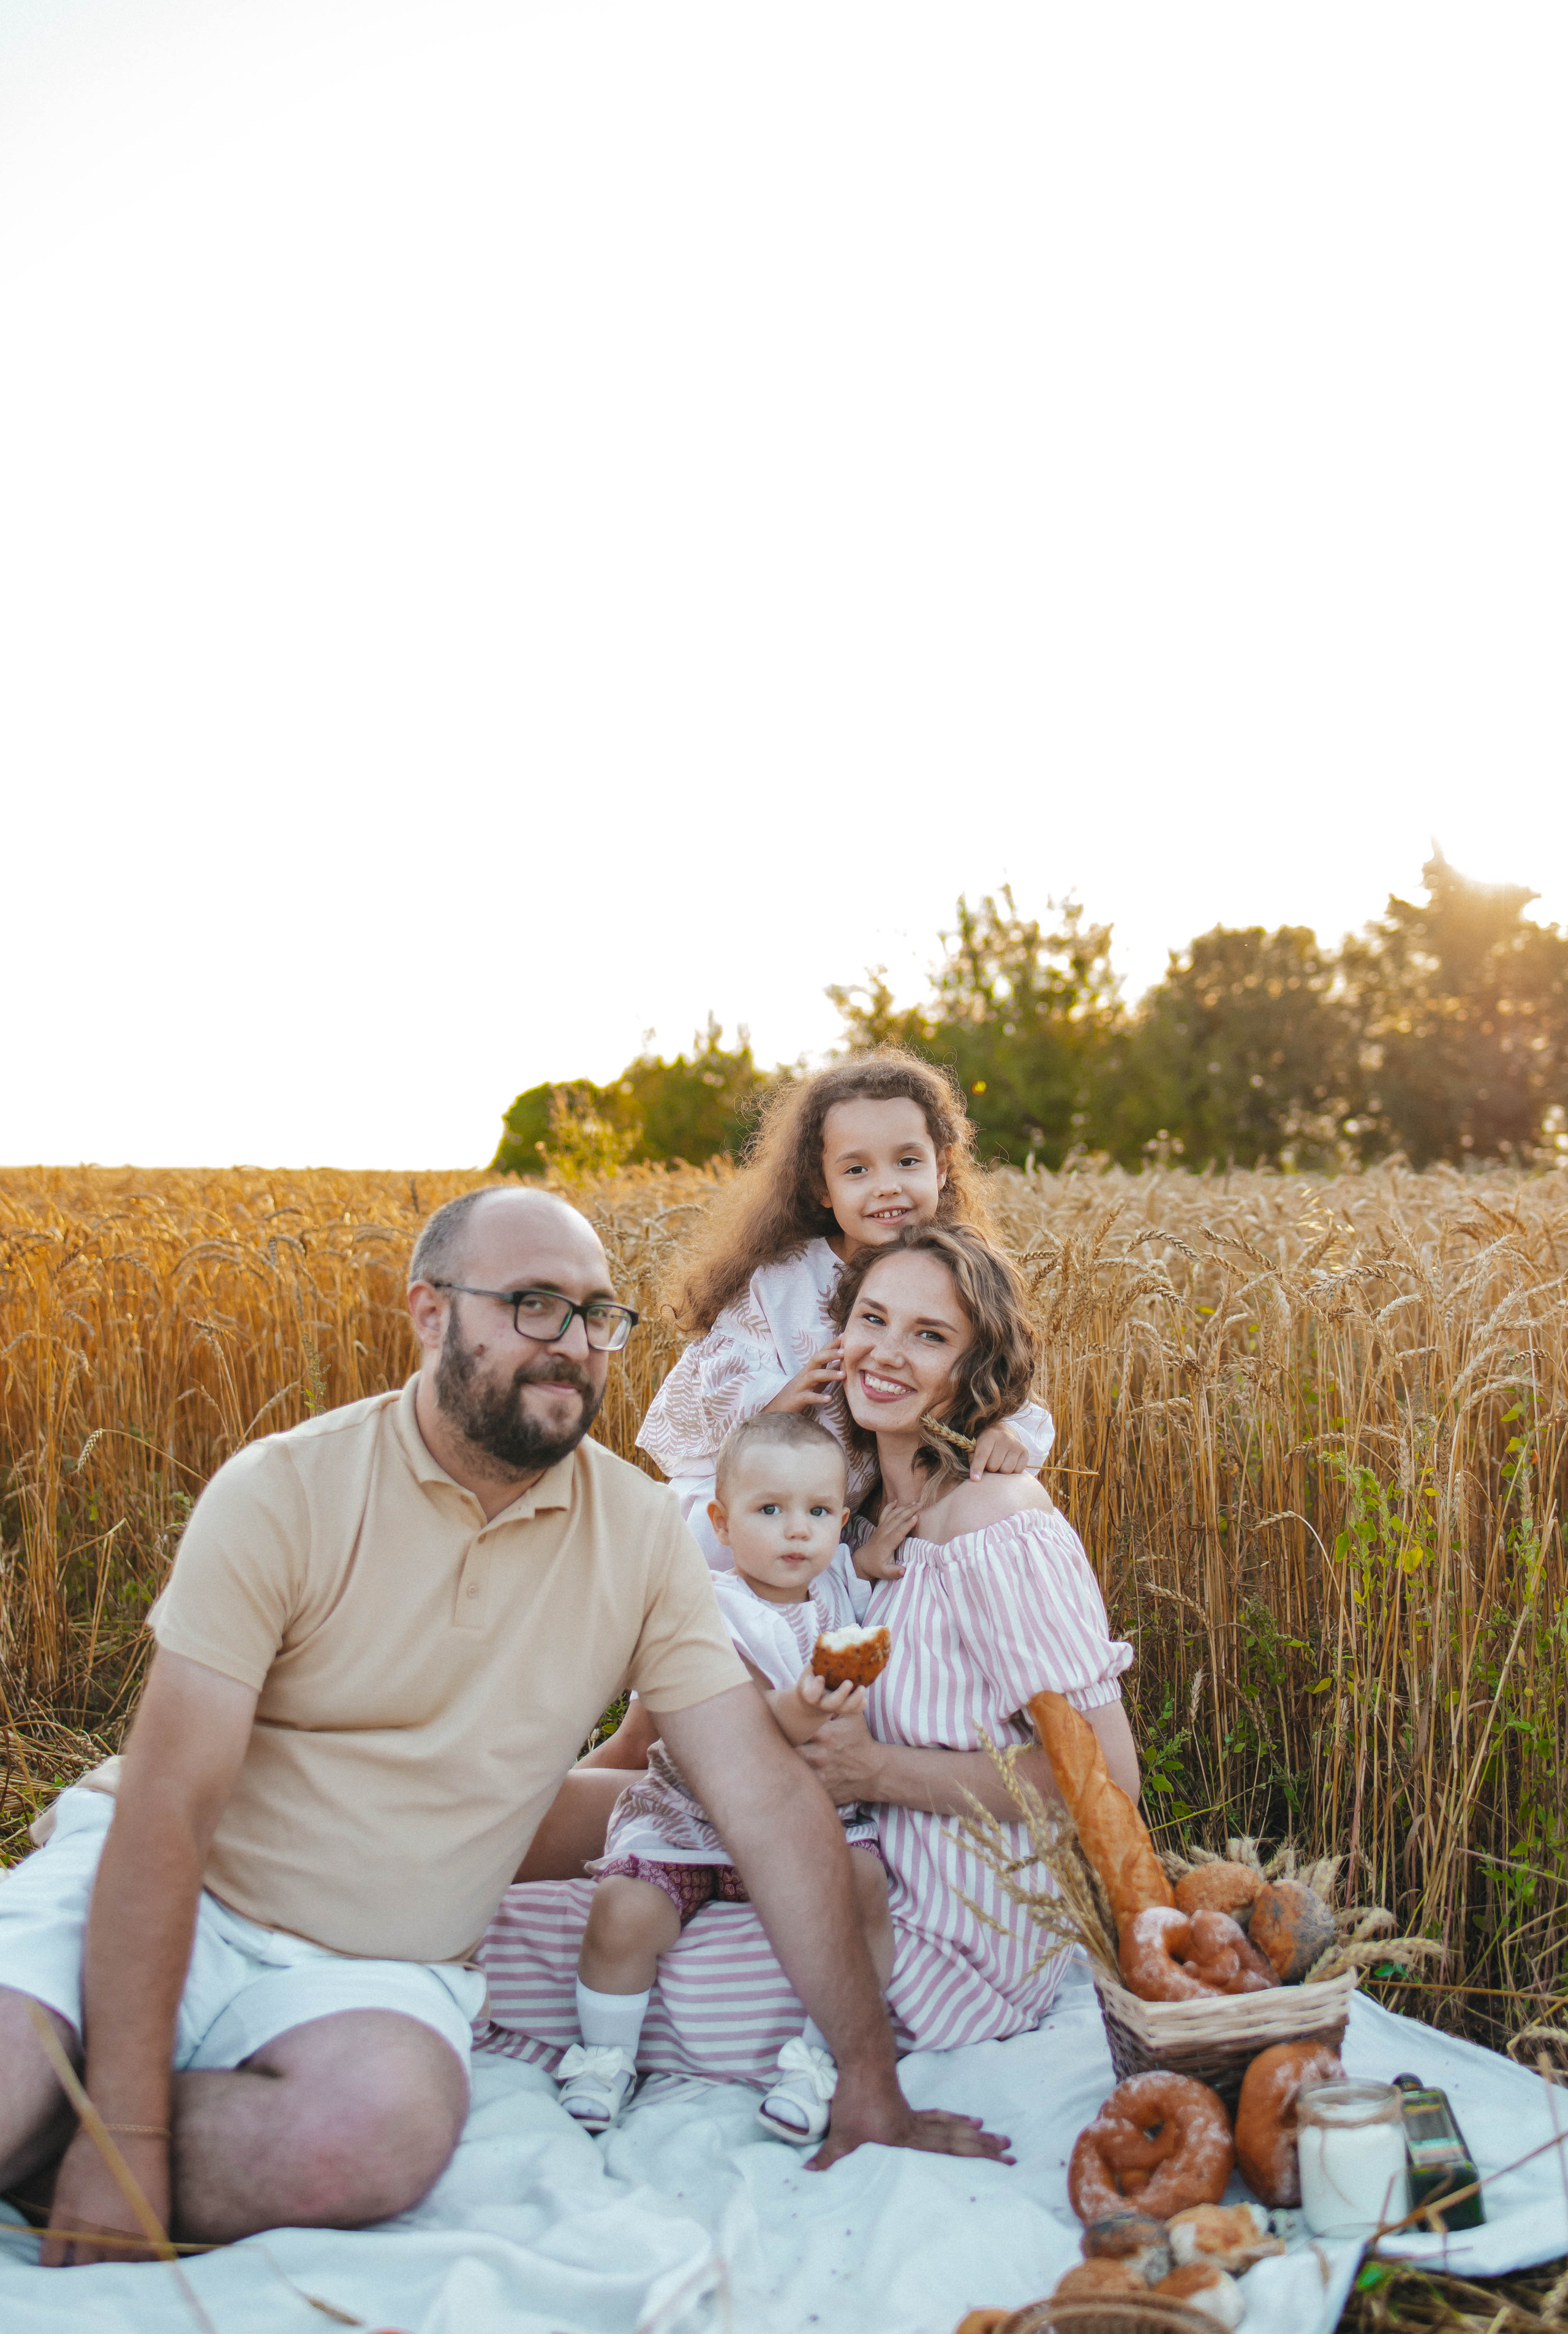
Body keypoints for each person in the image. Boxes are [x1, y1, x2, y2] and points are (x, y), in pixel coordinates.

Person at [0, 1188, 1006, 2270]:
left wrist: (869, 2083)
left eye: (595, 1315)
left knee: (374, 2143)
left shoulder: (638, 1539)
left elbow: (760, 1796)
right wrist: (135, 2131)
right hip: (173, 1880)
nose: (571, 1343)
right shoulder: (284, 1490)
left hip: (376, 1967)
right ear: (430, 1313)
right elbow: (169, 1803)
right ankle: (78, 2114)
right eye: (533, 1305)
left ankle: (61, 2138)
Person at [478, 1217, 1139, 2072]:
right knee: (488, 1822)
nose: (886, 1353)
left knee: (505, 1939)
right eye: (872, 1319)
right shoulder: (851, 1523)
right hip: (821, 1847)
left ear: (976, 1369)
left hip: (933, 1936)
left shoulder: (997, 1524)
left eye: (929, 1335)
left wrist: (878, 1773)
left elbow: (1107, 1778)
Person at [557, 1411, 900, 2146]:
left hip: (806, 1820)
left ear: (842, 1523)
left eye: (816, 1513)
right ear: (721, 1520)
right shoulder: (711, 1608)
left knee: (866, 1891)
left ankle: (820, 2058)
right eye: (769, 1511)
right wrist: (809, 1703)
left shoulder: (837, 1593)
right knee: (622, 1910)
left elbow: (857, 1565)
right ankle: (603, 2055)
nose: (795, 1533)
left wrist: (877, 1553)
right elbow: (738, 1738)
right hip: (695, 1811)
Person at [636, 1049, 1057, 1569]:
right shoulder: (781, 1284)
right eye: (857, 1169)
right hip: (735, 1526)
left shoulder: (956, 1277)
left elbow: (990, 1372)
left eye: (907, 1161)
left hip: (831, 1533)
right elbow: (695, 1419)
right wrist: (782, 1401)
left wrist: (1000, 1428)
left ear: (942, 1166)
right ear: (821, 1187)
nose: (887, 1186)